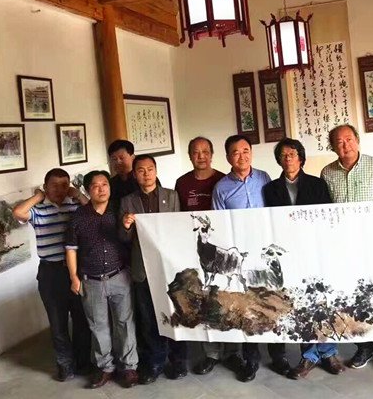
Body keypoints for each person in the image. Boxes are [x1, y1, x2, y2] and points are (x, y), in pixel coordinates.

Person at [320, 124, 373, 377]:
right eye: (339, 141)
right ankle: (364, 347)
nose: (345, 145)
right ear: (333, 146)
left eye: (349, 139)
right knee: (354, 297)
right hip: (345, 246)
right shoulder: (327, 173)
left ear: (357, 140)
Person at [263, 138, 345, 380]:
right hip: (288, 253)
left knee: (322, 300)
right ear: (279, 160)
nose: (288, 158)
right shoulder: (270, 189)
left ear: (301, 158)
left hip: (315, 250)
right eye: (283, 155)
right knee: (300, 302)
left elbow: (327, 217)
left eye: (293, 154)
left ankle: (329, 352)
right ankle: (308, 355)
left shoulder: (317, 184)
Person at [211, 134, 289, 382]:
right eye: (236, 152)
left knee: (273, 301)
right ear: (228, 157)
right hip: (243, 257)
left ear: (251, 153)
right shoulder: (221, 188)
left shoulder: (264, 178)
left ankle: (279, 357)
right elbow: (219, 226)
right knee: (248, 306)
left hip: (266, 252)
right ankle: (251, 359)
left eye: (246, 150)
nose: (242, 156)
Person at [12, 168, 91, 382]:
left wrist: (78, 194)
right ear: (46, 186)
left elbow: (94, 211)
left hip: (75, 270)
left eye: (64, 185)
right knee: (58, 324)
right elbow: (18, 212)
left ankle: (83, 363)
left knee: (81, 320)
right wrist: (38, 197)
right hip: (50, 273)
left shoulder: (74, 206)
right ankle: (65, 365)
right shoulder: (38, 210)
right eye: (54, 185)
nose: (59, 189)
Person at [174, 136, 242, 376]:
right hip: (197, 252)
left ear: (212, 154)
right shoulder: (182, 183)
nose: (201, 156)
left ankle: (232, 352)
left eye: (205, 151)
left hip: (223, 250)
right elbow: (176, 217)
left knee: (227, 297)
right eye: (196, 152)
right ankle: (211, 353)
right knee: (204, 298)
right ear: (189, 155)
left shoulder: (223, 180)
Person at [119, 155, 189, 384]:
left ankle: (178, 360)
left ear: (156, 171)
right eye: (141, 170)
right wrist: (126, 226)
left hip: (169, 266)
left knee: (176, 313)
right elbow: (124, 238)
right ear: (135, 174)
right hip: (143, 268)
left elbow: (179, 230)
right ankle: (155, 362)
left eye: (150, 169)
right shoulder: (127, 201)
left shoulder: (172, 195)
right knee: (149, 318)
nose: (146, 174)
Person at [65, 170, 139, 389]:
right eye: (95, 186)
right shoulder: (78, 216)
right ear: (88, 190)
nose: (101, 189)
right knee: (98, 326)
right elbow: (71, 249)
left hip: (119, 275)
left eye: (104, 184)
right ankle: (105, 367)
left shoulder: (119, 210)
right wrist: (74, 277)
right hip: (91, 280)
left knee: (125, 323)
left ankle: (129, 367)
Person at [107, 140, 138, 211]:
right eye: (114, 159)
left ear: (133, 157)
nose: (118, 162)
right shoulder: (111, 183)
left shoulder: (144, 178)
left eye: (122, 158)